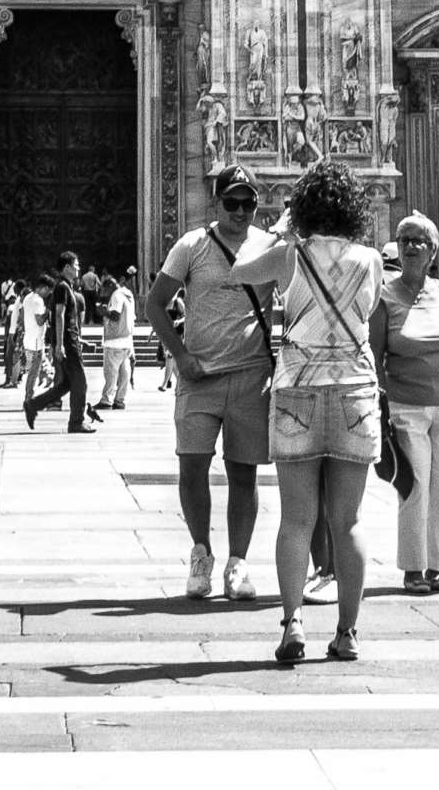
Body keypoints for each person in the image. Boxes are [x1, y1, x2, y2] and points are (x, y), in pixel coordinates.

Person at [237, 158, 383, 666]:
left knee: (296, 520)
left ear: (305, 208)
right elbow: (368, 310)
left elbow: (240, 266)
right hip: (355, 391)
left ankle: (293, 622)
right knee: (349, 521)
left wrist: (280, 226)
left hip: (298, 388)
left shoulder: (289, 256)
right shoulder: (370, 259)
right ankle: (347, 632)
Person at [155, 166, 274, 601]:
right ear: (215, 202)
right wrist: (180, 356)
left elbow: (299, 296)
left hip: (250, 376)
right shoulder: (192, 245)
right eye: (232, 203)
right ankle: (201, 554)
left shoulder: (269, 247)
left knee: (244, 473)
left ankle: (237, 565)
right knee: (193, 467)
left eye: (248, 203)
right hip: (199, 378)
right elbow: (155, 304)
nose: (240, 211)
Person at [374, 211, 439, 595]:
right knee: (414, 487)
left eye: (419, 241)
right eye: (405, 240)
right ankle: (413, 568)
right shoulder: (384, 295)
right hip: (406, 406)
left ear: (433, 251)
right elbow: (375, 353)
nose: (411, 246)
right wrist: (382, 407)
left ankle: (436, 566)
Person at [26, 253, 93, 433]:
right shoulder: (62, 287)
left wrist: (78, 339)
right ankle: (76, 422)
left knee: (67, 384)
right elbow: (59, 315)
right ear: (67, 268)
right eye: (76, 265)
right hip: (66, 343)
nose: (79, 267)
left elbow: (68, 320)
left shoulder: (67, 287)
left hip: (69, 340)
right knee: (80, 382)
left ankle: (33, 405)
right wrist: (60, 344)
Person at [98, 269, 138, 412]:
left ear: (110, 286)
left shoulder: (116, 296)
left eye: (104, 289)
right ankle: (120, 400)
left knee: (111, 372)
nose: (104, 293)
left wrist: (103, 312)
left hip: (114, 340)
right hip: (126, 339)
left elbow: (115, 315)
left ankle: (106, 400)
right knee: (124, 372)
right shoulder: (128, 295)